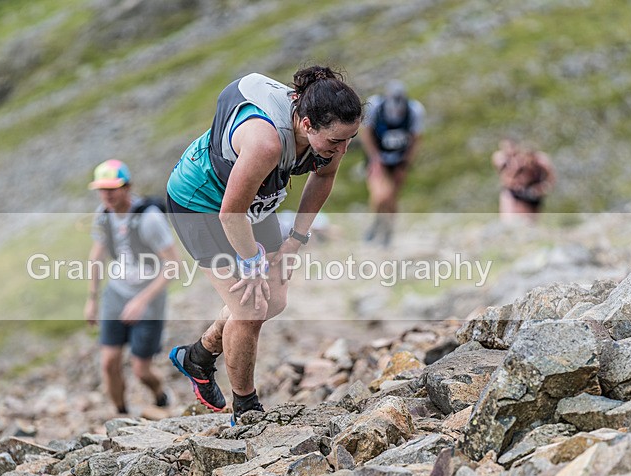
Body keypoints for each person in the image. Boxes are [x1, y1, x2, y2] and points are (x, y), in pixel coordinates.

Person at [164, 66, 363, 424]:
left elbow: (324, 176)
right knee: (250, 307)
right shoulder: (265, 142)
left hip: (255, 198)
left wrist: (295, 241)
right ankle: (246, 408)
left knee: (275, 298)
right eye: (336, 142)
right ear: (305, 125)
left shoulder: (330, 131)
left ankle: (199, 355)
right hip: (203, 202)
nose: (343, 149)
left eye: (350, 139)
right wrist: (251, 264)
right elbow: (230, 214)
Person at [84, 159, 180, 414]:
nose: (106, 195)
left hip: (148, 299)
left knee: (141, 369)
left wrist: (142, 300)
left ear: (127, 188)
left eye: (112, 189)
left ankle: (160, 395)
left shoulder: (149, 219)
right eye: (102, 190)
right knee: (109, 362)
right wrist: (92, 299)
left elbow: (173, 265)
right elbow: (96, 257)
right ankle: (121, 415)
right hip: (116, 294)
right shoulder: (103, 217)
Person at [359, 80, 425, 246]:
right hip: (378, 159)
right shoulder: (375, 106)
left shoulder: (414, 110)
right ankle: (376, 223)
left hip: (398, 161)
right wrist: (374, 158)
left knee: (392, 198)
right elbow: (365, 133)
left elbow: (416, 139)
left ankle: (388, 233)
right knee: (380, 196)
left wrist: (405, 164)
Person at [492, 139, 556, 222]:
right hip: (520, 192)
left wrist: (542, 187)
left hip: (534, 192)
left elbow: (551, 177)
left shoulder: (541, 162)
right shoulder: (518, 162)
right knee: (513, 216)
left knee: (532, 218)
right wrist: (517, 185)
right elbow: (508, 179)